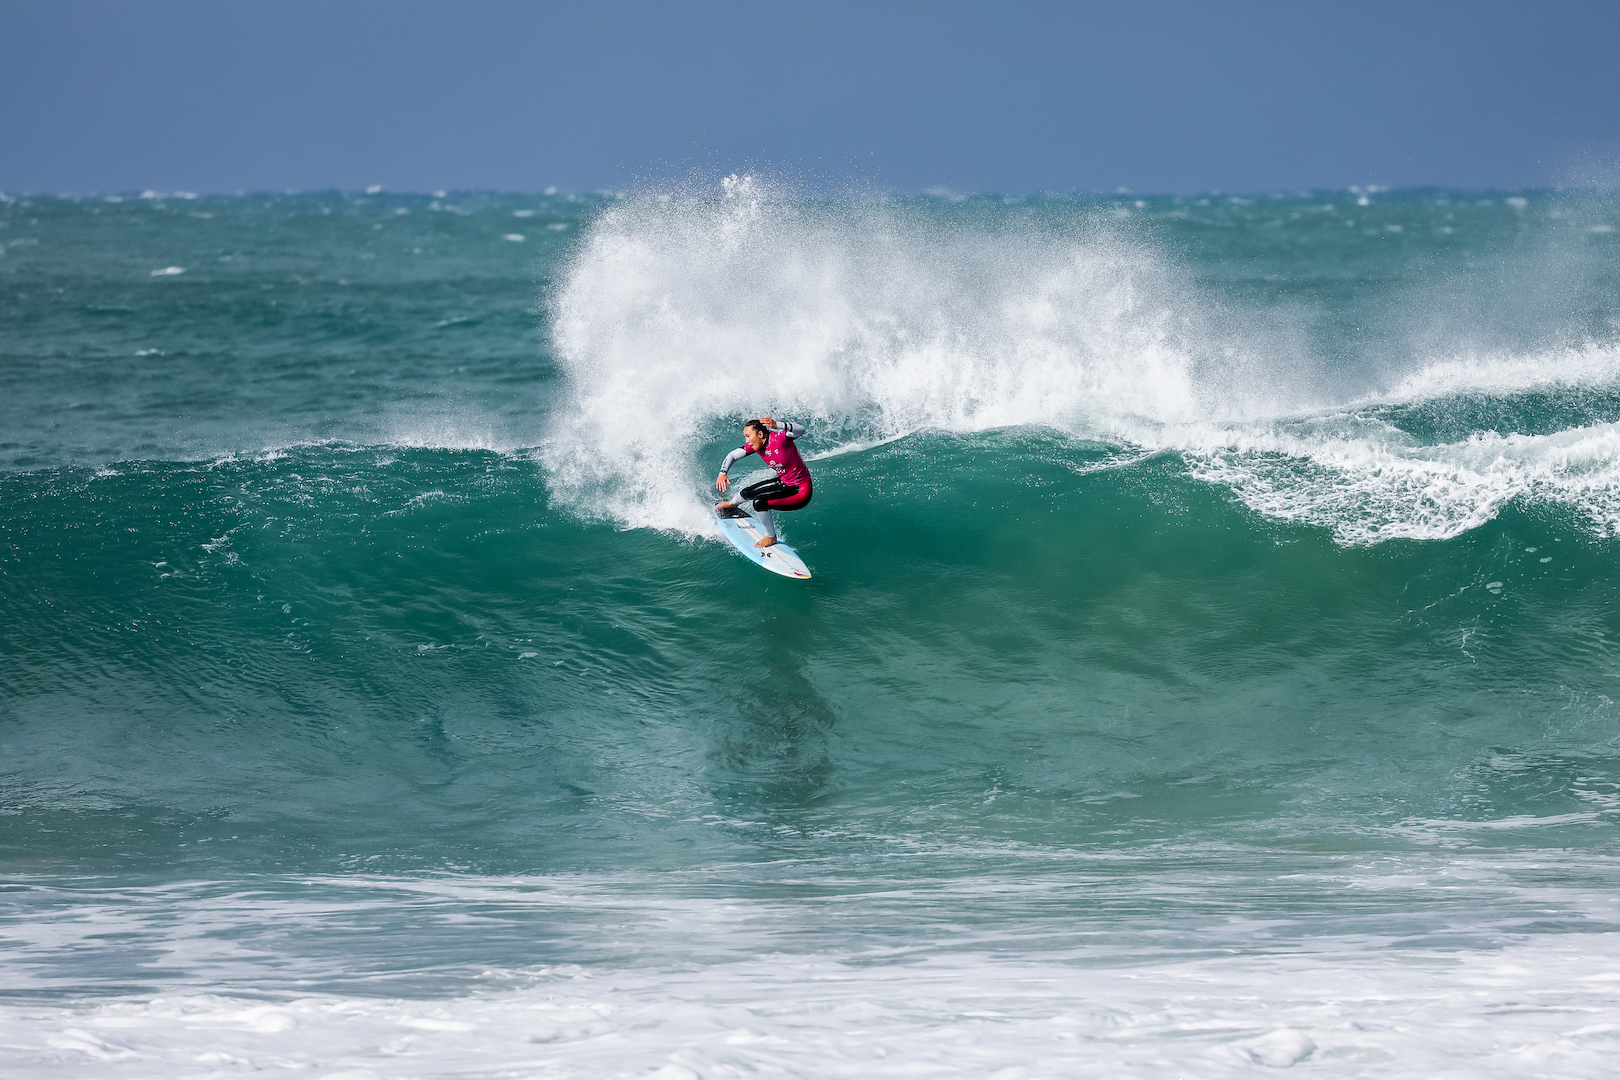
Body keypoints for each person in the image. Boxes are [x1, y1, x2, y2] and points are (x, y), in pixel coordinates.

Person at [715, 417, 812, 548]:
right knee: (747, 492)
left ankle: (771, 537)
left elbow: (801, 430)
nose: (746, 440)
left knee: (759, 502)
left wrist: (778, 424)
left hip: (800, 490)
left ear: (760, 434)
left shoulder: (780, 438)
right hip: (784, 482)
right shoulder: (755, 447)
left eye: (748, 436)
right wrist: (723, 472)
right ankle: (732, 503)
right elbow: (732, 455)